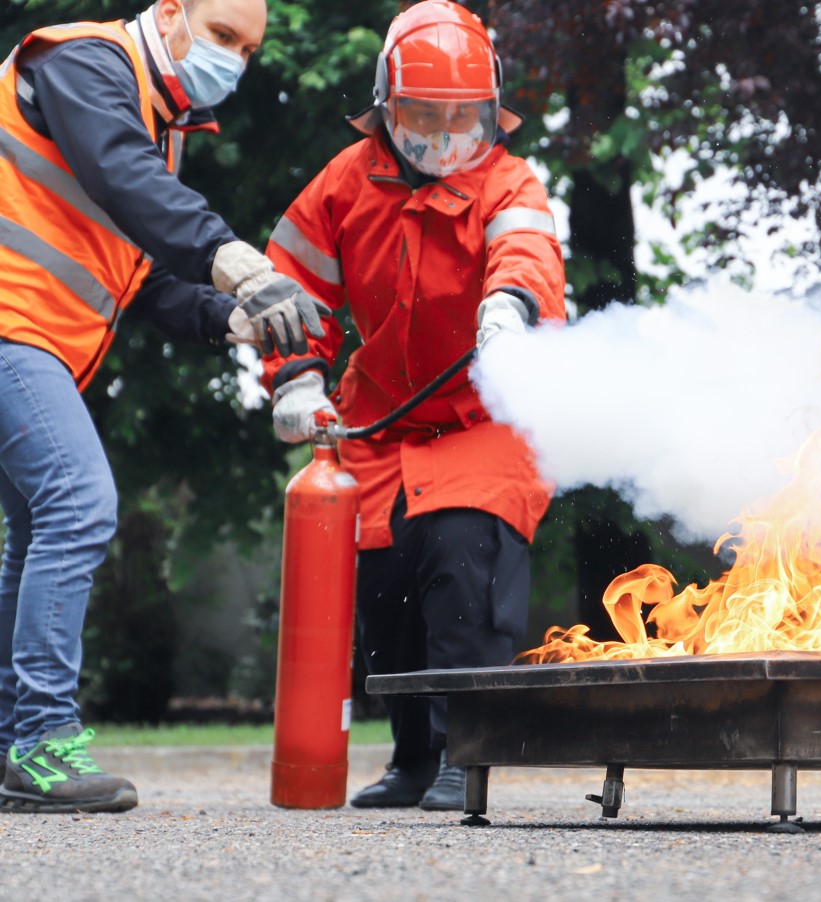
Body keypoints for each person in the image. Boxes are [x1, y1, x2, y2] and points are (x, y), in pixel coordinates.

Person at [0, 0, 332, 814]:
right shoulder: (83, 62)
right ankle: (41, 742)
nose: (234, 60)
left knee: (36, 531)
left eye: (248, 49)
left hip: (36, 340)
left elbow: (138, 270)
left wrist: (231, 318)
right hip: (11, 326)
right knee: (79, 504)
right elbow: (124, 176)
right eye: (222, 35)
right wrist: (235, 260)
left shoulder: (161, 126)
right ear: (173, 13)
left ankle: (14, 751)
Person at [260, 0, 565, 811]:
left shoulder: (509, 180)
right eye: (420, 114)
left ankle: (469, 755)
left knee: (463, 566)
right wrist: (295, 377)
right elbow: (291, 286)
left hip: (481, 423)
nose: (441, 131)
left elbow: (526, 250)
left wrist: (509, 308)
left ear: (488, 108)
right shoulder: (344, 181)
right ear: (385, 107)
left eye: (460, 116)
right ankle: (412, 759)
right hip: (381, 421)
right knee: (384, 586)